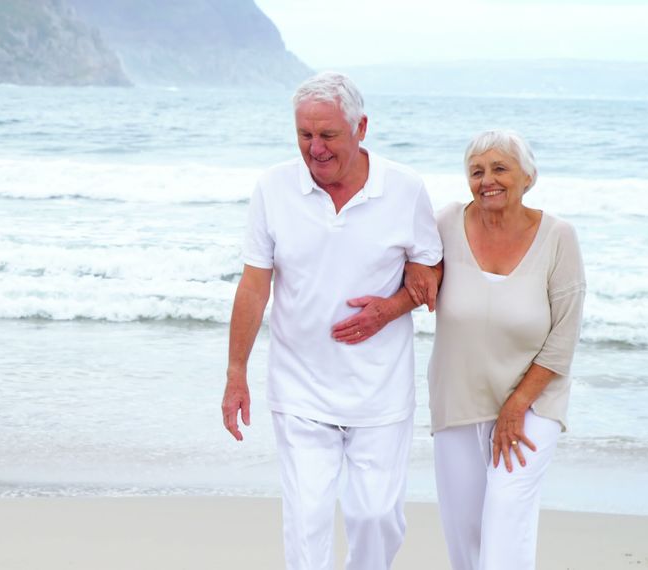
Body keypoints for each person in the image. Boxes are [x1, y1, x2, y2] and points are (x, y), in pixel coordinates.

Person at [220, 71, 442, 570]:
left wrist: (390, 308)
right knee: (307, 520)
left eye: (327, 135)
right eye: (304, 135)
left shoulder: (405, 189)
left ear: (361, 128)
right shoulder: (273, 188)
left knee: (376, 517)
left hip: (380, 388)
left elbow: (432, 270)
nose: (315, 149)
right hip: (299, 386)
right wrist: (236, 373)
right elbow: (253, 286)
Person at [427, 130, 586, 570]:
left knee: (505, 509)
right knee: (465, 530)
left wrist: (516, 406)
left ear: (527, 177)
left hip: (533, 401)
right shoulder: (445, 224)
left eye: (500, 168)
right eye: (476, 171)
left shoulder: (558, 237)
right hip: (458, 397)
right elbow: (401, 262)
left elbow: (564, 336)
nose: (487, 180)